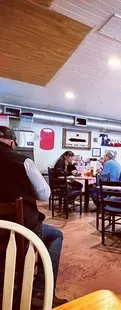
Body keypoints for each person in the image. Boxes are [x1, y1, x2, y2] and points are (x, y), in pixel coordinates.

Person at [0, 126, 67, 307]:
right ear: (12, 142)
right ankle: (40, 292)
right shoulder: (23, 161)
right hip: (17, 232)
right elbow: (45, 194)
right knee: (56, 235)